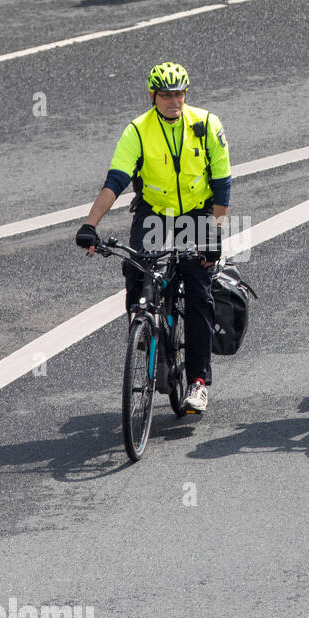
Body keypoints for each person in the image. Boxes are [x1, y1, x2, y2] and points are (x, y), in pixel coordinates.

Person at [75, 61, 231, 412]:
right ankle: (147, 334)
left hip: (197, 213)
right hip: (153, 214)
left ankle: (199, 382)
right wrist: (90, 225)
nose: (173, 101)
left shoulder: (206, 124)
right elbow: (115, 180)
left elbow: (222, 184)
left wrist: (215, 232)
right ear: (152, 96)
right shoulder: (138, 131)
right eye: (165, 95)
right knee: (136, 273)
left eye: (178, 94)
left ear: (185, 94)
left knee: (198, 291)